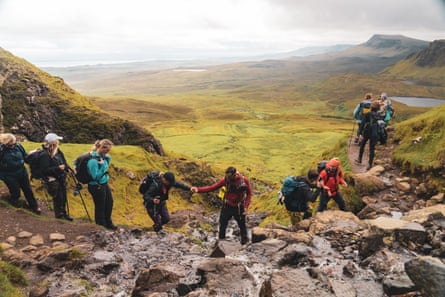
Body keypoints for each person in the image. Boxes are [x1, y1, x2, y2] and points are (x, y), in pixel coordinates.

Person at [191, 166, 252, 245]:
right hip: (227, 206)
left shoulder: (244, 180)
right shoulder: (225, 180)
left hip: (239, 207)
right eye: (226, 176)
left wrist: (246, 207)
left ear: (235, 175)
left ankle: (245, 245)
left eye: (229, 177)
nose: (228, 178)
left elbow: (249, 194)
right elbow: (212, 187)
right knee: (222, 225)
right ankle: (221, 245)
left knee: (242, 226)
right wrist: (198, 190)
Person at [0, 133, 41, 214]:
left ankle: (34, 206)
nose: (13, 146)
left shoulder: (18, 146)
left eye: (14, 144)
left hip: (22, 172)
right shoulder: (1, 151)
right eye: (10, 145)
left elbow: (25, 157)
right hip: (9, 175)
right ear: (6, 143)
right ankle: (12, 201)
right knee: (16, 192)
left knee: (28, 190)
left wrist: (33, 155)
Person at [39, 133, 72, 220]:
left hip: (61, 177)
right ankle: (59, 216)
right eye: (57, 140)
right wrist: (58, 168)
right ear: (53, 142)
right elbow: (44, 170)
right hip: (53, 180)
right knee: (58, 197)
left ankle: (64, 214)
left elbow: (64, 162)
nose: (58, 141)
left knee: (63, 196)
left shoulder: (58, 151)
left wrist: (68, 169)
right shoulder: (44, 155)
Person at [86, 139, 116, 230]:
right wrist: (102, 165)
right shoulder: (93, 161)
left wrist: (107, 158)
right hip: (96, 185)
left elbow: (106, 167)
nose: (108, 152)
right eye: (107, 150)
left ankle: (108, 222)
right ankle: (101, 225)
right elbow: (95, 176)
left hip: (103, 183)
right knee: (100, 206)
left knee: (109, 203)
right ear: (101, 148)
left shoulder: (102, 157)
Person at [356, 101, 384, 170]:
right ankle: (370, 164)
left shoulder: (367, 114)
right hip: (374, 133)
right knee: (372, 149)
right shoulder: (379, 116)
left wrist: (360, 134)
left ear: (371, 107)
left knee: (362, 145)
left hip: (366, 132)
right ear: (378, 108)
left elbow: (362, 124)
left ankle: (359, 159)